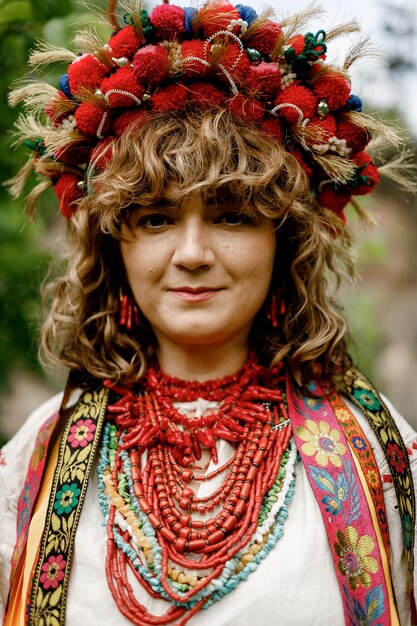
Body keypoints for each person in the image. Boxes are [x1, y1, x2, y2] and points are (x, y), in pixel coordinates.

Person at [1, 1, 416, 624]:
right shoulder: (34, 461)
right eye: (157, 219)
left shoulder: (383, 456)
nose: (192, 254)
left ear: (285, 243)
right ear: (116, 247)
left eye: (231, 216)